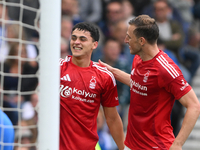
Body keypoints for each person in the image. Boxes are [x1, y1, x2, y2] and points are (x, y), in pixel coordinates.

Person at [99, 15, 200, 150]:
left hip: (156, 146)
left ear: (141, 41)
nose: (125, 40)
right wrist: (112, 71)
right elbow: (138, 84)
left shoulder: (165, 69)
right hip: (133, 144)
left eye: (129, 37)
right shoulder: (138, 58)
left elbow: (194, 105)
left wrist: (178, 144)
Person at [59, 22, 124, 150]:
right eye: (73, 38)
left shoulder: (104, 76)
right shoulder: (57, 68)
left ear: (95, 45)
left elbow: (112, 119)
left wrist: (123, 148)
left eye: (82, 39)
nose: (76, 42)